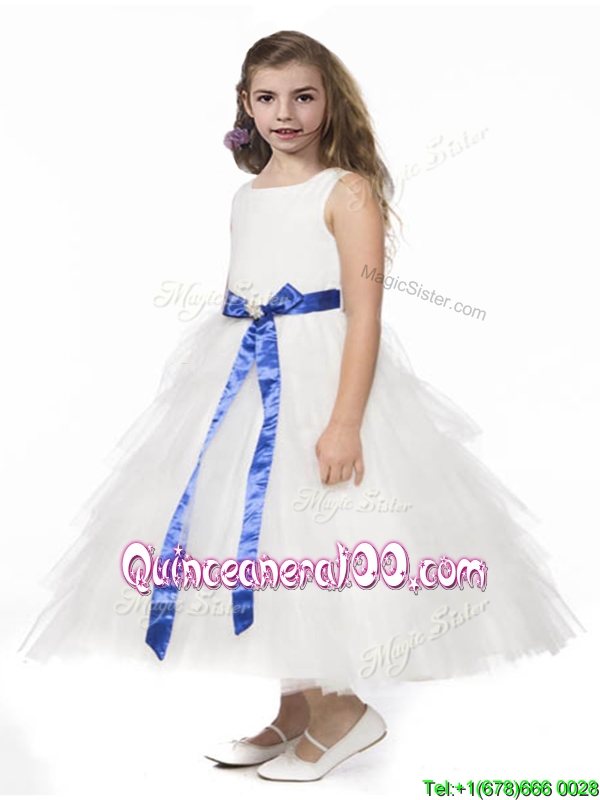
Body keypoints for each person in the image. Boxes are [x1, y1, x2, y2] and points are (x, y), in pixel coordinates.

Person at [18, 30, 584, 782]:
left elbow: (364, 314)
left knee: (316, 531)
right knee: (262, 538)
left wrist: (344, 421)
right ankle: (296, 706)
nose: (286, 113)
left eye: (303, 97)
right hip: (245, 378)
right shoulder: (245, 197)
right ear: (246, 105)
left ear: (329, 102)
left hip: (319, 380)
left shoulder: (346, 191)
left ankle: (343, 711)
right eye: (268, 98)